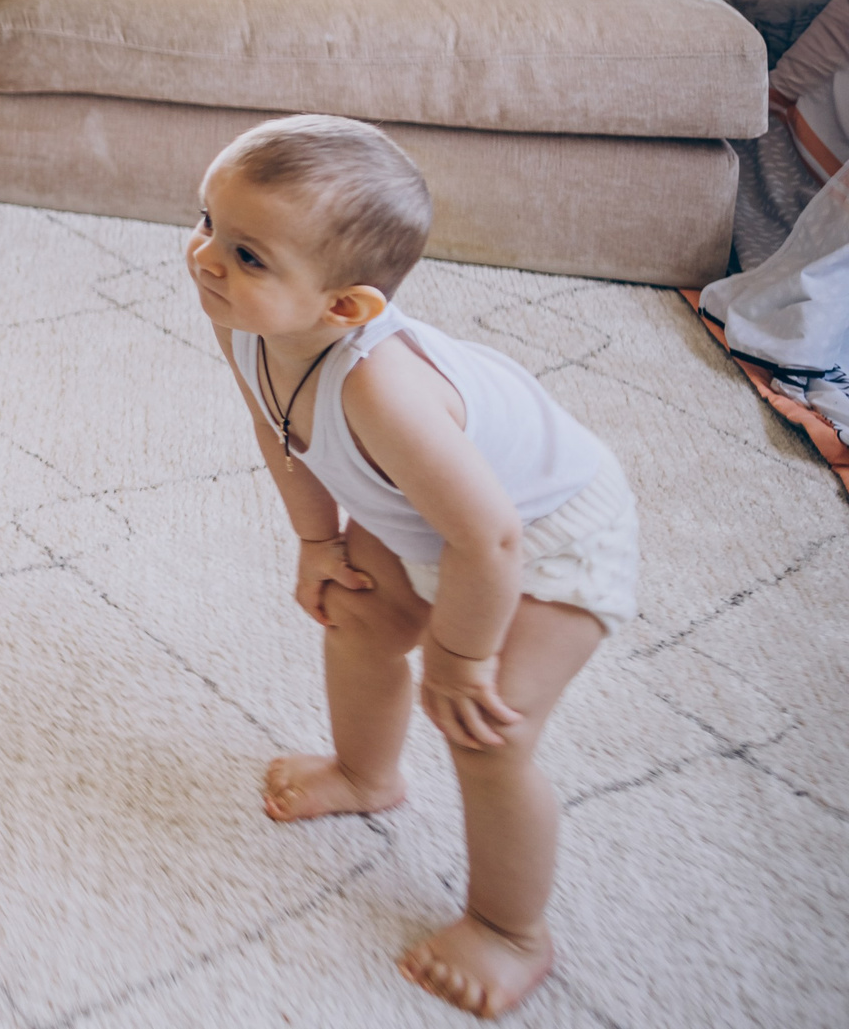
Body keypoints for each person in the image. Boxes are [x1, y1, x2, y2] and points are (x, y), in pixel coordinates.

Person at [184, 115, 639, 1019]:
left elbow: (492, 539)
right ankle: (365, 773)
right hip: (425, 516)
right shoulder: (248, 323)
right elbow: (280, 435)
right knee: (354, 609)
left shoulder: (382, 386)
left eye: (245, 252)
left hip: (546, 533)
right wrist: (318, 540)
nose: (204, 258)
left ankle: (512, 930)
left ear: (344, 307)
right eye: (203, 222)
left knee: (486, 728)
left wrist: (462, 655)